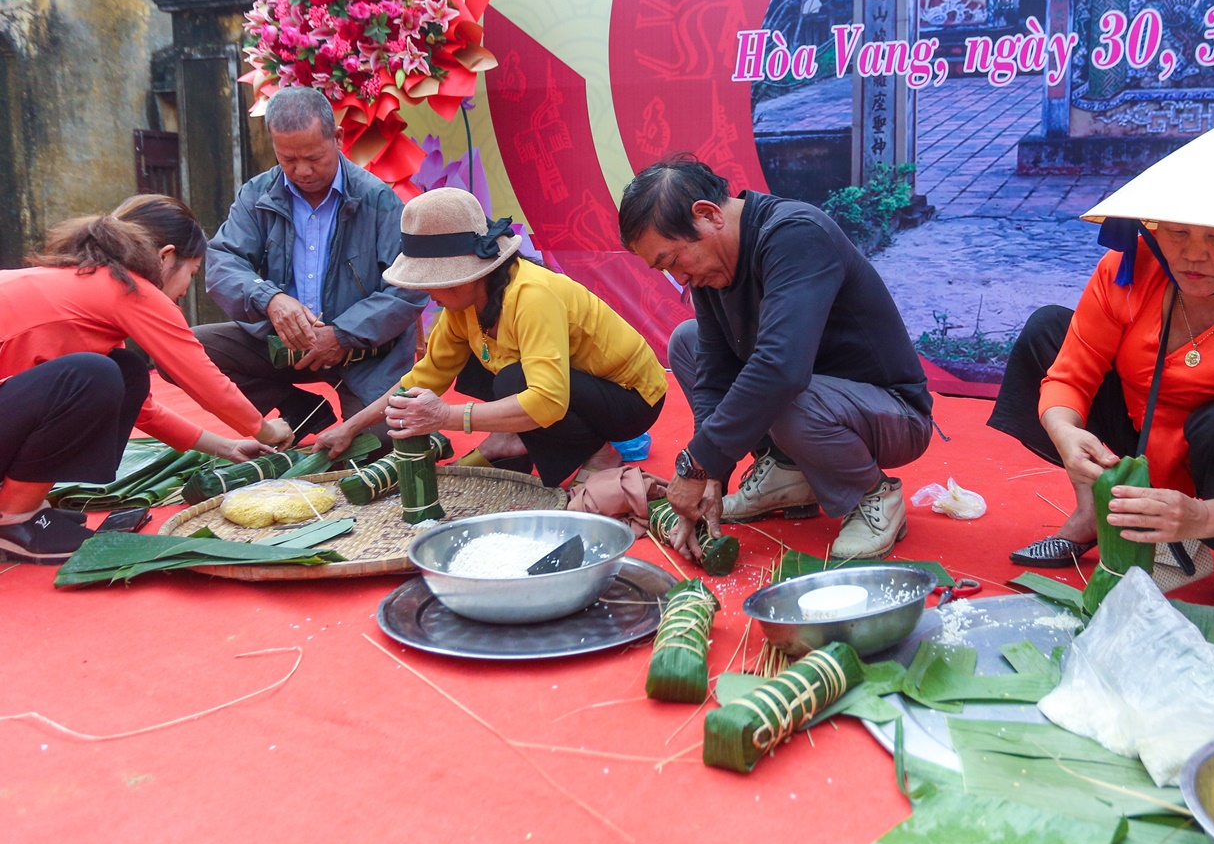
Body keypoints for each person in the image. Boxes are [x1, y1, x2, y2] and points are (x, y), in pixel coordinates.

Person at [989, 120, 1214, 610]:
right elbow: (1068, 376)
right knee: (1048, 330)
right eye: (1178, 232)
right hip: (1135, 443)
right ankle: (1094, 509)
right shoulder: (1128, 270)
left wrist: (1200, 520)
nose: (1193, 254)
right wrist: (1062, 430)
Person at [617, 155, 933, 561]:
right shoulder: (712, 263)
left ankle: (875, 495)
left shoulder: (796, 235)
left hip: (892, 413)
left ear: (708, 214)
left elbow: (783, 368)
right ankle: (785, 470)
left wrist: (693, 466)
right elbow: (714, 371)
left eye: (673, 260)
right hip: (811, 401)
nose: (679, 278)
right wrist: (710, 471)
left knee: (782, 386)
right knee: (687, 341)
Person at [0, 196, 292, 563]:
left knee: (122, 371)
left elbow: (140, 407)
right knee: (98, 374)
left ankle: (26, 505)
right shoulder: (128, 288)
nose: (187, 289)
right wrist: (265, 431)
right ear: (166, 256)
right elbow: (201, 377)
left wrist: (227, 447)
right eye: (192, 272)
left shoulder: (84, 282)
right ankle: (13, 519)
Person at [314, 188, 667, 486]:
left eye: (432, 278)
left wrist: (447, 417)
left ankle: (598, 452)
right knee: (479, 366)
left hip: (630, 399)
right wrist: (351, 427)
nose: (424, 289)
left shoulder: (531, 295)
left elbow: (548, 401)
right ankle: (510, 436)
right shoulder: (460, 308)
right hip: (573, 389)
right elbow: (421, 380)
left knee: (514, 378)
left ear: (467, 275)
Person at [198, 86, 425, 437]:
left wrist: (342, 334)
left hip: (363, 353)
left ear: (337, 137)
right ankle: (299, 407)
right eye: (287, 159)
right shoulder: (257, 195)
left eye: (314, 157)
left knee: (372, 451)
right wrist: (270, 299)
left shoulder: (378, 199)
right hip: (282, 345)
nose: (301, 170)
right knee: (188, 352)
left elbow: (408, 290)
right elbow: (221, 261)